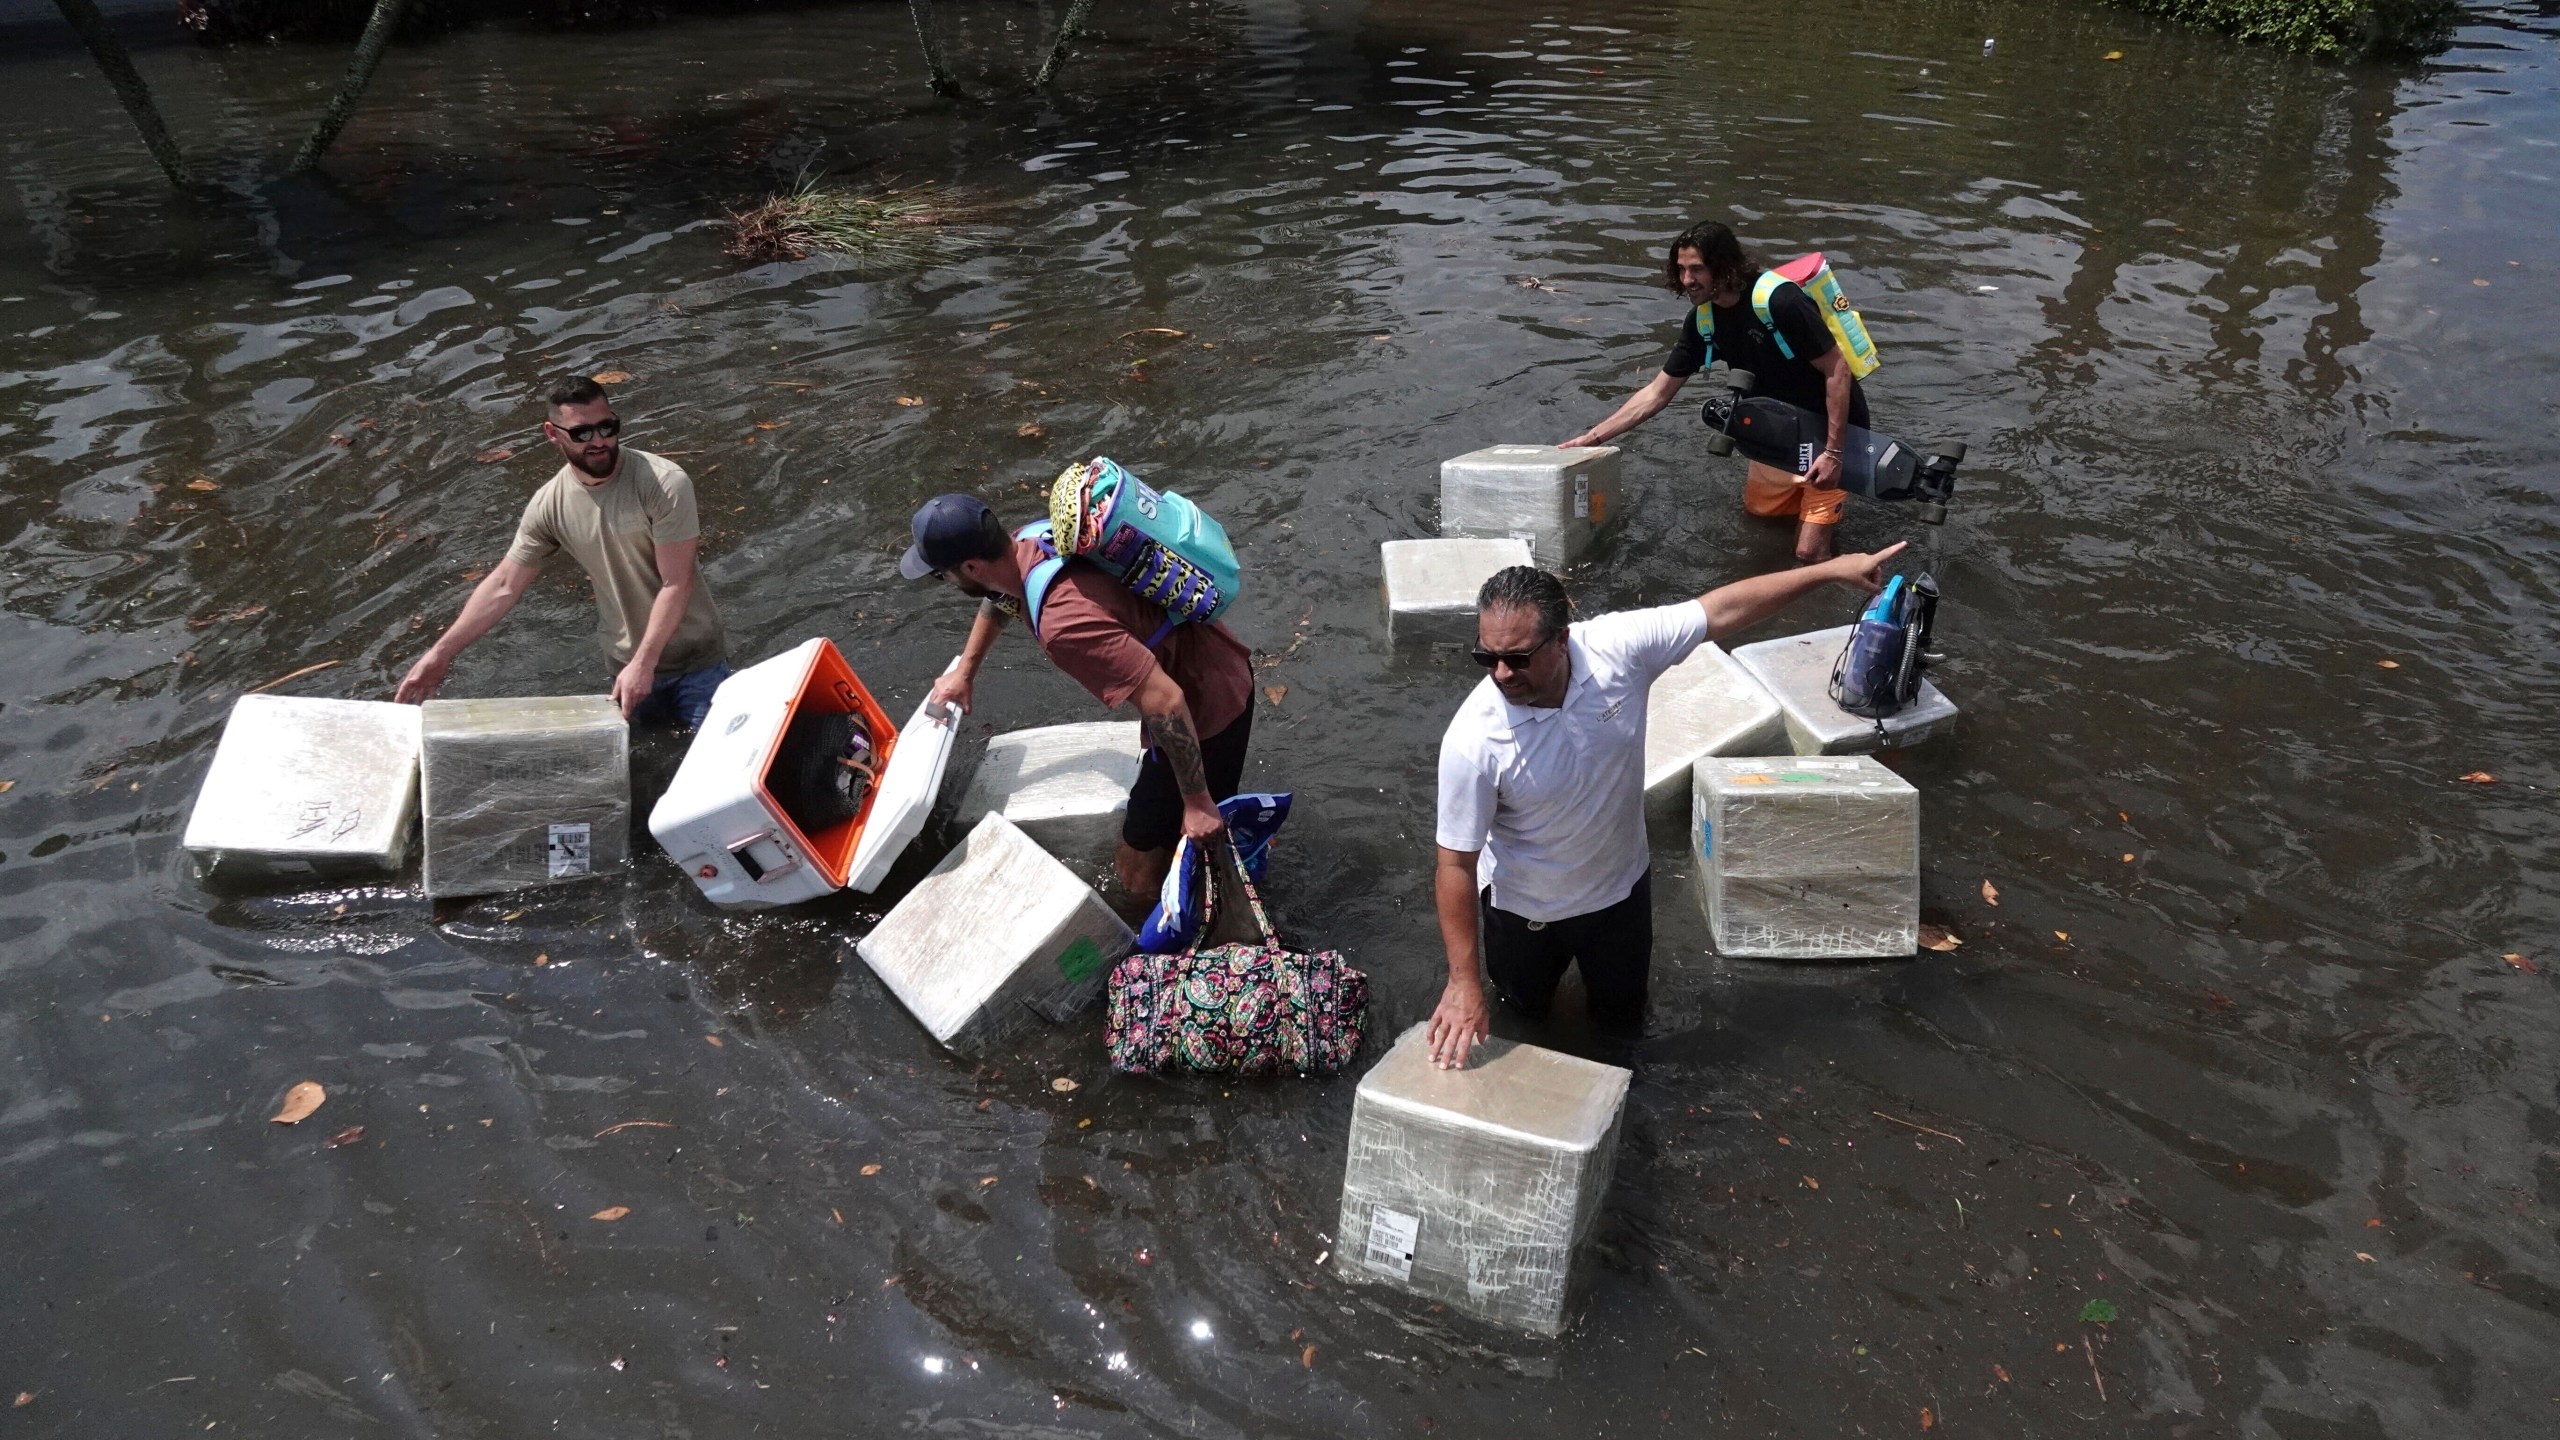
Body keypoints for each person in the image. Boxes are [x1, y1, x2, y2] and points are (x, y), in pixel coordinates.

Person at [1426, 543, 1905, 1069]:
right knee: (1526, 1023)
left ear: (1561, 640)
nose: (1500, 674)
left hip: (1619, 896)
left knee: (1623, 1026)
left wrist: (1831, 571)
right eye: (1486, 657)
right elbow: (1455, 862)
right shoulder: (1474, 740)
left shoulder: (1618, 649)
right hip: (1526, 915)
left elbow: (1720, 610)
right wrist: (1461, 982)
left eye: (1517, 658)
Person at [904, 492, 1253, 897]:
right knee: (1181, 832)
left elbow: (1167, 701)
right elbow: (1000, 600)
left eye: (940, 574)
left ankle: (1209, 918)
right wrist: (965, 672)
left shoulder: (1062, 623)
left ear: (970, 566)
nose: (944, 582)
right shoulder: (1033, 540)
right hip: (1216, 661)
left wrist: (1197, 802)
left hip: (1208, 708)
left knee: (1139, 870)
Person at [394, 377, 730, 728]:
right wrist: (440, 654)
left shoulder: (664, 483)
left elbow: (676, 582)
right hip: (625, 666)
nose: (599, 441)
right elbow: (505, 584)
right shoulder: (549, 504)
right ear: (552, 434)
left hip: (696, 664)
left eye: (607, 427)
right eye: (582, 433)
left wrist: (644, 664)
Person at [1559, 220, 1870, 564]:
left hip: (1829, 434)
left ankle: (1836, 579)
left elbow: (1837, 369)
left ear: (1724, 266)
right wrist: (1592, 438)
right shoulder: (1703, 322)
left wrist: (1836, 453)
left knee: (1807, 553)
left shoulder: (1780, 301)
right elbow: (1657, 393)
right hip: (1777, 437)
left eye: (1697, 269)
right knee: (1761, 533)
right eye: (1681, 270)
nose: (1687, 281)